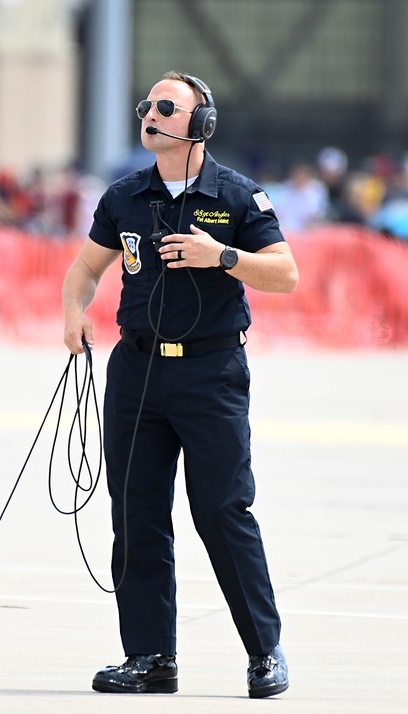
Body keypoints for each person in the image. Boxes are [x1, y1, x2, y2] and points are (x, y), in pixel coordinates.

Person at [61, 72, 299, 699]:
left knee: (222, 510)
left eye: (166, 107)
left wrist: (221, 256)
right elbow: (85, 269)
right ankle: (149, 658)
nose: (150, 115)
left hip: (210, 372)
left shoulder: (239, 196)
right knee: (137, 515)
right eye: (146, 105)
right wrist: (73, 309)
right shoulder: (124, 197)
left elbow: (285, 275)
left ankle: (264, 653)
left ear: (200, 123)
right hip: (137, 370)